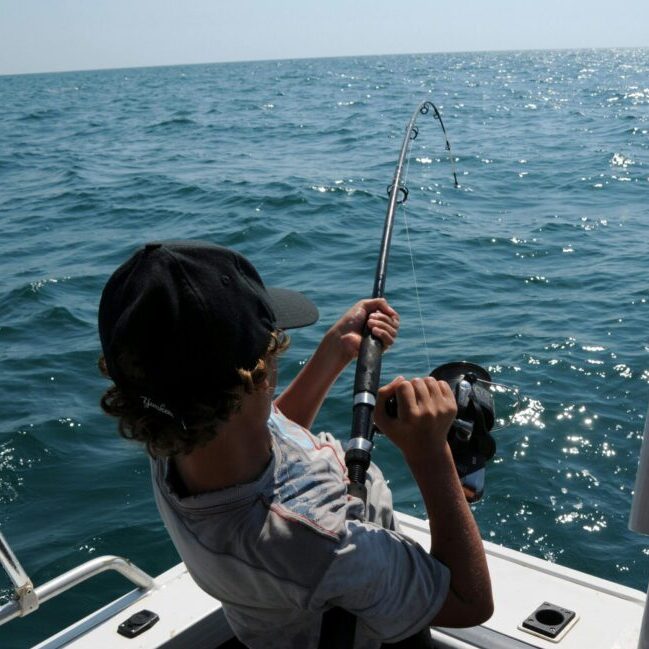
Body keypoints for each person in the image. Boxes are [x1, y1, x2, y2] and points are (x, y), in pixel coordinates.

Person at [98, 240, 493, 649]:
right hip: (367, 625)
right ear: (253, 378)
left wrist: (335, 352)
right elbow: (469, 603)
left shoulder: (173, 434)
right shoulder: (317, 544)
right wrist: (430, 453)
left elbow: (265, 435)